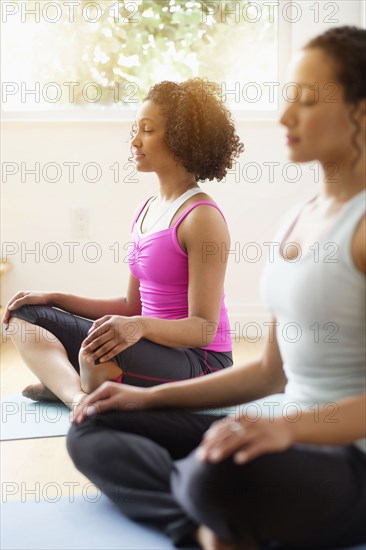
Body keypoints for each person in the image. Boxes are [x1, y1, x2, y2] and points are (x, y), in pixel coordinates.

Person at [68, 26, 366, 549]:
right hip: (286, 438)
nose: (284, 118)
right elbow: (273, 372)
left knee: (216, 476)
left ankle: (208, 508)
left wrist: (289, 432)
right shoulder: (298, 221)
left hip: (350, 458)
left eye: (306, 100)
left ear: (360, 112)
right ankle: (206, 528)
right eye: (286, 99)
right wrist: (143, 402)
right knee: (93, 425)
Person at [3, 78, 243, 410]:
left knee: (96, 357)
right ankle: (76, 397)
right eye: (136, 129)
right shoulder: (147, 210)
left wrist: (138, 327)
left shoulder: (201, 218)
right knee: (24, 315)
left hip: (201, 362)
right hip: (148, 345)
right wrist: (54, 298)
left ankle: (70, 383)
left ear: (181, 140)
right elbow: (132, 305)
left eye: (147, 130)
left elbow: (203, 329)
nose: (134, 140)